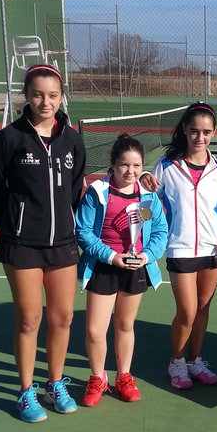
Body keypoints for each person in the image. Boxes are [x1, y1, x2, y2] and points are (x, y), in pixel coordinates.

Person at [0, 64, 86, 422]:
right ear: (26, 95)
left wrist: (64, 223)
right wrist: (15, 226)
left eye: (53, 95)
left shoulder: (72, 140)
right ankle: (26, 391)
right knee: (29, 319)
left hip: (63, 244)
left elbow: (75, 188)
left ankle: (55, 384)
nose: (46, 102)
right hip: (21, 244)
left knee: (63, 318)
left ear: (61, 97)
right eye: (38, 94)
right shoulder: (9, 138)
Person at [75, 134, 168, 406]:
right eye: (124, 165)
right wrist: (111, 256)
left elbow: (159, 232)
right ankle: (97, 378)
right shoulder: (97, 193)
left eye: (136, 165)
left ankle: (124, 377)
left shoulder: (148, 197)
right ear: (113, 164)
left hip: (135, 268)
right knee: (95, 330)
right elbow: (83, 231)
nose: (130, 171)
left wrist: (146, 256)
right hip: (104, 267)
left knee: (125, 325)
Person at [151, 103, 217, 390]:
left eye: (206, 132)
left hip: (212, 249)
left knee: (202, 309)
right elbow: (149, 203)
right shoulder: (166, 166)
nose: (200, 137)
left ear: (214, 133)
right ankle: (176, 361)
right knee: (186, 311)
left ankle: (195, 360)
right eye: (195, 131)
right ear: (185, 130)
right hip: (180, 248)